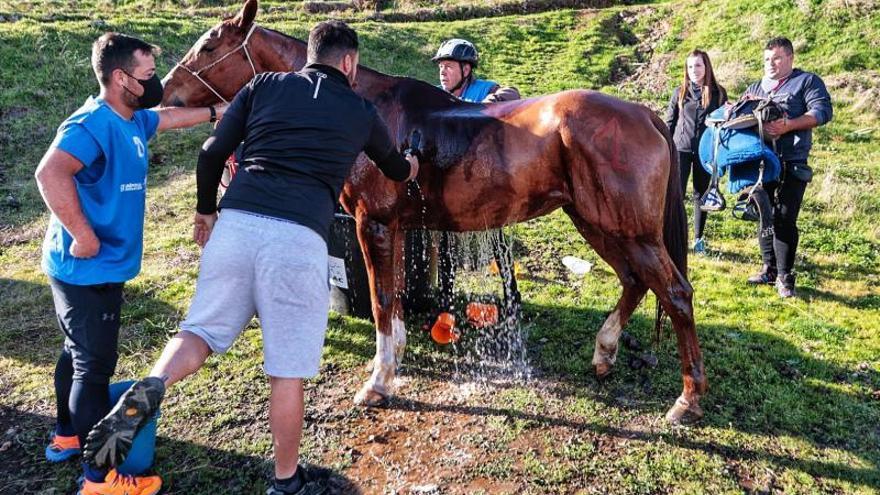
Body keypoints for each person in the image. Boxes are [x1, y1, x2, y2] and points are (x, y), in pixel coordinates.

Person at [83, 20, 418, 495]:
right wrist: (415, 162)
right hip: (297, 240)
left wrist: (205, 212)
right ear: (350, 63)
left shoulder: (263, 85)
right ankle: (286, 482)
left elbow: (211, 151)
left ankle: (152, 386)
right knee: (286, 370)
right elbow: (396, 170)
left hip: (236, 226)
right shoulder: (361, 110)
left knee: (198, 332)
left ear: (309, 56)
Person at [34, 32, 226, 495]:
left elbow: (167, 118)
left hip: (102, 266)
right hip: (86, 269)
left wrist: (221, 112)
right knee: (93, 368)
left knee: (76, 352)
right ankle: (99, 479)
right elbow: (50, 172)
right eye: (147, 75)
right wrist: (83, 235)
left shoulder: (132, 118)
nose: (155, 81)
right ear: (121, 79)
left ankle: (66, 436)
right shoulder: (91, 124)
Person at [432, 38, 521, 321]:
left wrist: (483, 107)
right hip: (449, 182)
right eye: (440, 67)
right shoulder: (436, 94)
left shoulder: (484, 88)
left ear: (466, 69)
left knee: (495, 238)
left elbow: (513, 92)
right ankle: (445, 300)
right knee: (445, 242)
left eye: (448, 66)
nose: (442, 72)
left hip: (482, 182)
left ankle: (512, 296)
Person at [743, 37, 832, 298]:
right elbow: (740, 115)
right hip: (761, 162)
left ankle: (785, 276)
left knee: (784, 218)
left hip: (792, 162)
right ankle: (768, 268)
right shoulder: (755, 87)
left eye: (777, 58)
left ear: (791, 58)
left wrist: (788, 125)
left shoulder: (806, 82)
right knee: (764, 216)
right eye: (767, 59)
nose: (771, 63)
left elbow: (823, 112)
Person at [665, 49, 727, 254]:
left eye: (698, 65)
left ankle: (699, 239)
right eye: (690, 66)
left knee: (701, 194)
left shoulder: (719, 93)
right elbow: (669, 123)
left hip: (705, 152)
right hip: (680, 150)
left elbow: (724, 124)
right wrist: (666, 149)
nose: (694, 70)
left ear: (706, 66)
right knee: (676, 194)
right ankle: (674, 237)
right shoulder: (679, 92)